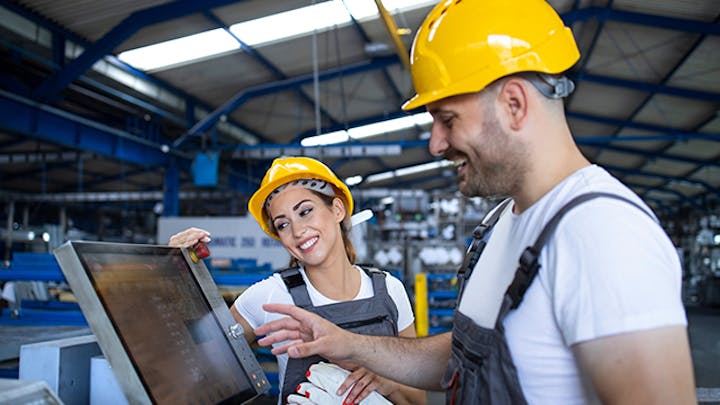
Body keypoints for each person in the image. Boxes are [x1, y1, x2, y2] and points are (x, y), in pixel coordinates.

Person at [252, 1, 697, 404]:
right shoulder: (503, 222)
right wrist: (347, 343)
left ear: (515, 104)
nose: (435, 143)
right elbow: (463, 357)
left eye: (447, 120)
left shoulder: (602, 235)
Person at [169, 156, 425, 405]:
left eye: (305, 211)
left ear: (337, 209)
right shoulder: (270, 297)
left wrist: (387, 382)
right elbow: (199, 359)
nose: (297, 231)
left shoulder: (389, 290)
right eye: (282, 225)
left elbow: (418, 398)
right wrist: (178, 275)